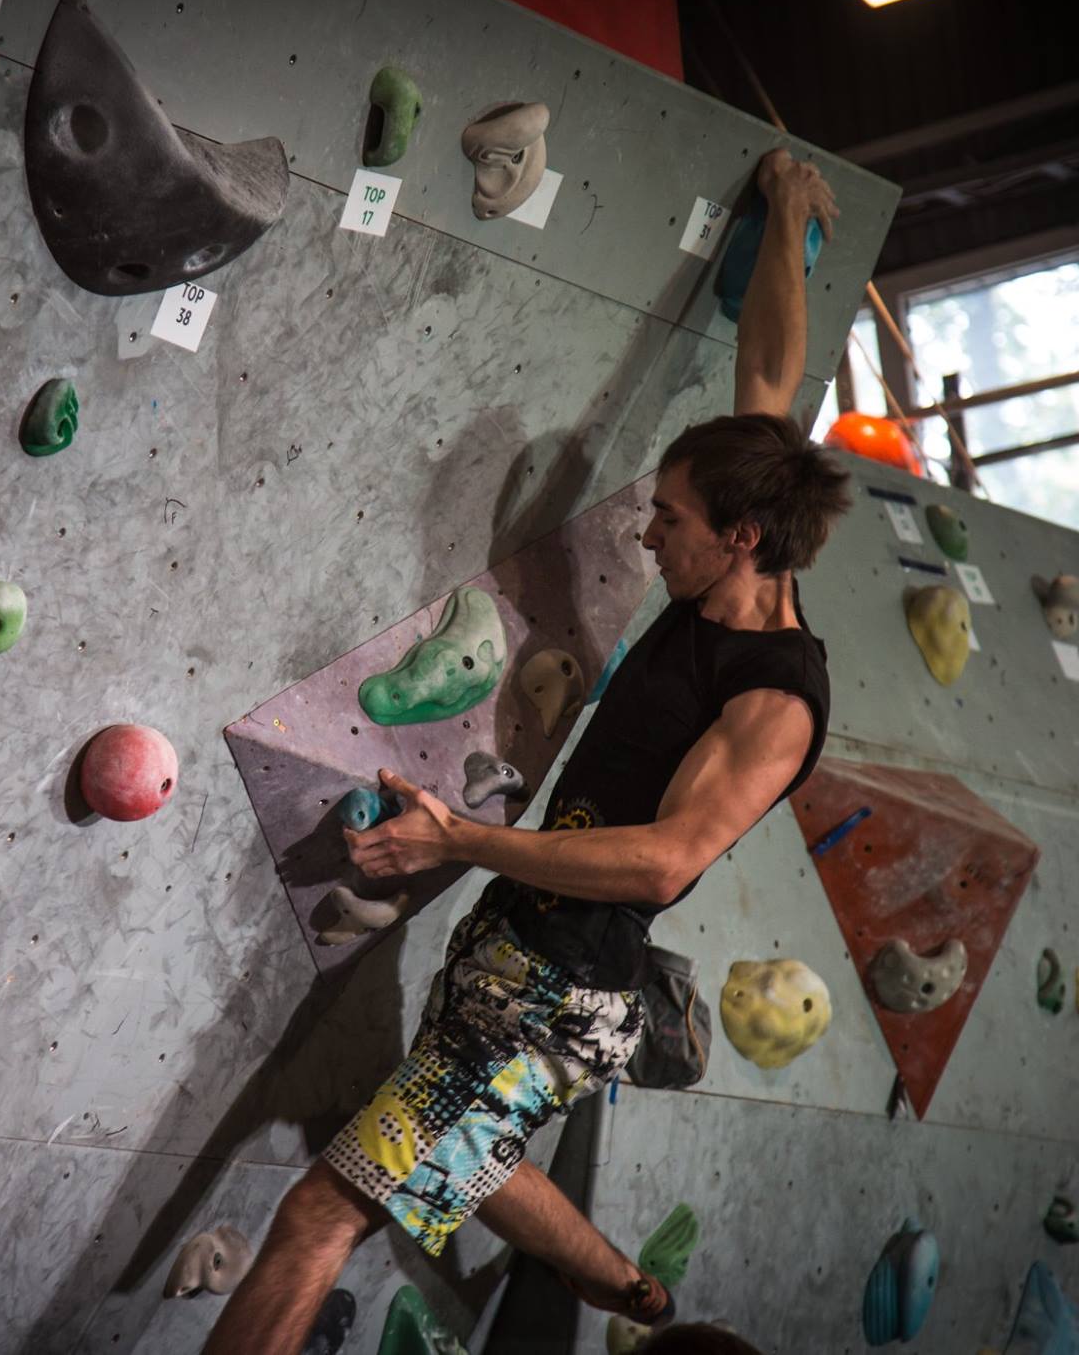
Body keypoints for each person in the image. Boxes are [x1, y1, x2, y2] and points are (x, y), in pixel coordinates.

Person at [202, 148, 850, 1355]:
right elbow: (770, 366)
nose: (647, 536)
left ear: (742, 538)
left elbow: (661, 862)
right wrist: (788, 210)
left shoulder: (775, 700)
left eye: (669, 521)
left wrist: (454, 836)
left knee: (319, 1216)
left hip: (554, 991)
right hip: (522, 963)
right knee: (468, 1149)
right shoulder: (741, 545)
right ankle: (634, 1293)